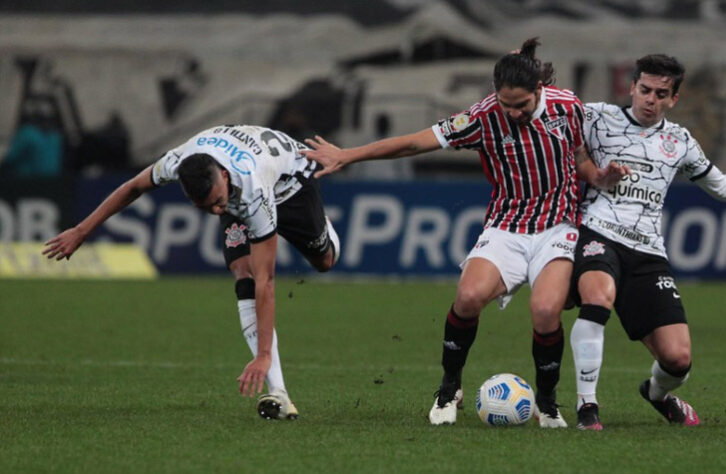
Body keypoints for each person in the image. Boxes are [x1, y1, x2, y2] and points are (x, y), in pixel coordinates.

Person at [303, 38, 629, 427]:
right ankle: (449, 386)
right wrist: (347, 154)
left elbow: (579, 157)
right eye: (505, 104)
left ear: (539, 90)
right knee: (469, 296)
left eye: (521, 105)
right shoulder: (482, 117)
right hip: (506, 225)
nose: (512, 113)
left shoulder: (568, 106)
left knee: (545, 311)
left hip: (558, 225)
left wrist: (600, 176)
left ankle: (546, 400)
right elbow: (413, 143)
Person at [568, 54, 726, 430]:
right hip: (597, 232)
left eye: (661, 93)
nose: (650, 99)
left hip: (647, 252)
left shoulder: (680, 141)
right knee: (597, 295)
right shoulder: (595, 117)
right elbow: (546, 113)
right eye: (644, 90)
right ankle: (587, 407)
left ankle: (657, 394)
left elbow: (721, 186)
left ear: (674, 99)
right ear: (631, 87)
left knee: (678, 359)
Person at [42, 125, 341, 421]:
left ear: (223, 176)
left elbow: (268, 281)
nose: (214, 212)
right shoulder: (178, 162)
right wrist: (82, 231)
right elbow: (133, 187)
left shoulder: (252, 192)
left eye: (217, 203)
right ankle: (280, 394)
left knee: (323, 261)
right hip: (243, 186)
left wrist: (263, 355)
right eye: (206, 207)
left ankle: (322, 228)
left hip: (290, 182)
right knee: (243, 272)